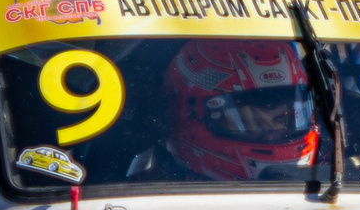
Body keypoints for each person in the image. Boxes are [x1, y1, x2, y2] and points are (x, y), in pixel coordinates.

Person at [124, 38, 321, 182]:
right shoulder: (141, 198)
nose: (273, 135)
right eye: (250, 119)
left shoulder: (330, 182)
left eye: (283, 117)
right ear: (188, 114)